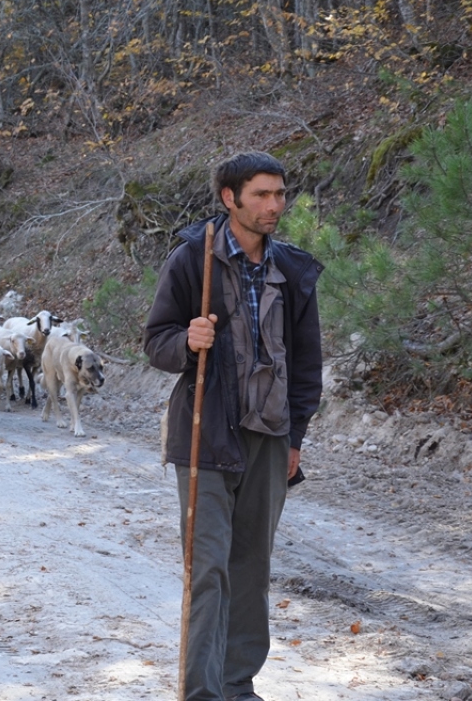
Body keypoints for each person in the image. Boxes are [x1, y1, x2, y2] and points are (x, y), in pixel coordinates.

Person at [143, 151, 324, 701]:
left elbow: (306, 363)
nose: (275, 205)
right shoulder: (191, 261)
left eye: (280, 194)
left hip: (269, 437)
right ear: (231, 198)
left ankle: (237, 685)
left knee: (252, 569)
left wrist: (295, 437)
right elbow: (156, 341)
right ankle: (201, 692)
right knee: (208, 571)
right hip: (205, 435)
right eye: (262, 195)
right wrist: (186, 343)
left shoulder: (292, 269)